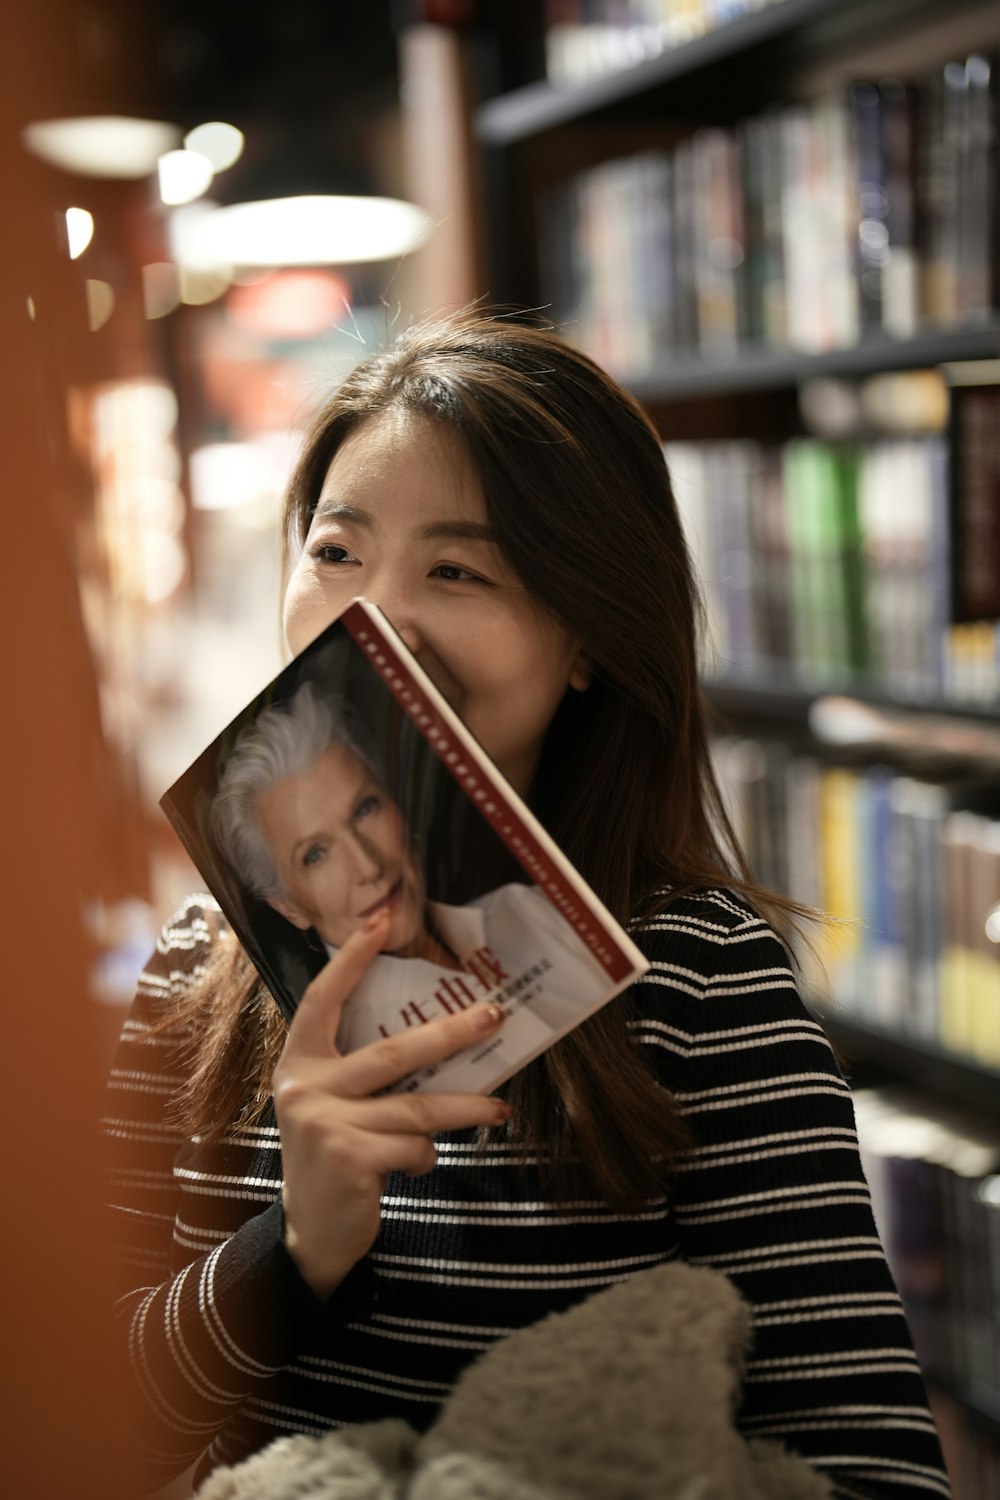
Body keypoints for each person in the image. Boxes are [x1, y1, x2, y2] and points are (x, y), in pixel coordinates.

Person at [105, 314, 950, 1498]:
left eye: (457, 571)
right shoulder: (201, 959)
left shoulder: (699, 978)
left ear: (587, 641)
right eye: (338, 553)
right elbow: (72, 1407)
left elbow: (871, 1464)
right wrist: (292, 1255)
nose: (370, 621)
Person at [209, 679, 621, 1080]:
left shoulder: (522, 906)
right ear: (288, 906)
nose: (369, 866)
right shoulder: (341, 1058)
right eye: (316, 855)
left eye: (365, 809)